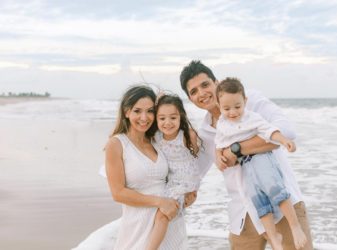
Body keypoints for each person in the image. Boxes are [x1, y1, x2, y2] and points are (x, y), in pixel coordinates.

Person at [180, 60, 313, 250]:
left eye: (205, 84)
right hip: (243, 213)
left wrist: (237, 149)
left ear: (216, 82)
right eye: (193, 91)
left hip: (282, 201)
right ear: (190, 99)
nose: (201, 93)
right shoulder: (205, 131)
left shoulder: (250, 100)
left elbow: (287, 132)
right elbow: (195, 172)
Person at [214, 77, 307, 250]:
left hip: (261, 158)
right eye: (226, 108)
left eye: (237, 107)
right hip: (247, 166)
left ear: (245, 102)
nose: (232, 112)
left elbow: (269, 131)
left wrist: (284, 140)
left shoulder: (251, 117)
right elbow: (219, 143)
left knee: (276, 190)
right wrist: (219, 155)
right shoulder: (222, 124)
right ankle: (274, 236)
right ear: (219, 105)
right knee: (259, 201)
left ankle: (295, 227)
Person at [104, 85, 187, 249]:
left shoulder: (158, 141)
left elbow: (181, 167)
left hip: (169, 223)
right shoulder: (116, 144)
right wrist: (160, 202)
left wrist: (189, 193)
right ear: (126, 112)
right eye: (137, 111)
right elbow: (118, 193)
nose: (144, 117)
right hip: (138, 226)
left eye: (150, 111)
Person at [146, 94, 201, 250]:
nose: (167, 123)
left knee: (162, 216)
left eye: (173, 117)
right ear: (156, 119)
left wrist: (193, 189)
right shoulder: (156, 137)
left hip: (185, 183)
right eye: (162, 118)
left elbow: (195, 160)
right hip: (170, 182)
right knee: (158, 216)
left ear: (180, 117)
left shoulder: (187, 136)